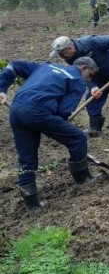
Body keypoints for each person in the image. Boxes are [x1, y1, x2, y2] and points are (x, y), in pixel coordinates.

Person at [0, 57, 103, 212]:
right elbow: (63, 112)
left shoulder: (45, 67)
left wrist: (2, 89)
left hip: (16, 110)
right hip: (38, 112)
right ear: (83, 68)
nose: (89, 79)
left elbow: (14, 65)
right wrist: (55, 124)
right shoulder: (76, 80)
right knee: (78, 138)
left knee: (26, 160)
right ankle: (83, 179)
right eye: (90, 75)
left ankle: (32, 204)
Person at [50, 35, 109, 139]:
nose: (61, 57)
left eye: (61, 54)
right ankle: (95, 128)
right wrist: (93, 86)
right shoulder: (70, 58)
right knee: (93, 98)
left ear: (69, 48)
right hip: (98, 75)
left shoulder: (90, 42)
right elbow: (82, 74)